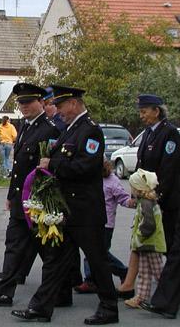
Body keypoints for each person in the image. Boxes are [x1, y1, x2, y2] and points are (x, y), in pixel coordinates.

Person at [11, 85, 118, 325]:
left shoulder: (90, 131)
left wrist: (52, 165)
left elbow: (86, 167)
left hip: (85, 211)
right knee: (56, 259)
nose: (58, 111)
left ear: (74, 103)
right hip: (66, 210)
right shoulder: (71, 129)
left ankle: (109, 307)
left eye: (60, 106)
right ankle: (42, 307)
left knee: (97, 261)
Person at [0, 83, 59, 307]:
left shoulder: (49, 130)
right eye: (21, 102)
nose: (24, 106)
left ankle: (61, 290)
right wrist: (11, 195)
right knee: (14, 244)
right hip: (20, 200)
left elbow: (48, 169)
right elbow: (19, 167)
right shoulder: (24, 126)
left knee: (48, 249)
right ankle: (4, 292)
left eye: (28, 102)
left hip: (37, 201)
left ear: (41, 102)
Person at [75, 159, 134, 294]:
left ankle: (122, 271)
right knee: (91, 252)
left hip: (106, 224)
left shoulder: (112, 181)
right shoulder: (91, 178)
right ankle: (90, 280)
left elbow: (123, 198)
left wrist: (132, 202)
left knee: (100, 254)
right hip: (90, 221)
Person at [135, 94, 180, 251]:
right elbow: (141, 163)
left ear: (156, 111)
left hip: (165, 200)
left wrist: (157, 195)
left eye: (144, 112)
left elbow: (168, 169)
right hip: (147, 198)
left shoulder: (169, 132)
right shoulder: (148, 132)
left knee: (168, 243)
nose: (141, 116)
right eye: (140, 112)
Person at [123, 169, 166, 309]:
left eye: (132, 187)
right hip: (146, 245)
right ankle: (141, 298)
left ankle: (169, 296)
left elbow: (148, 225)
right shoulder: (145, 202)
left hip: (151, 244)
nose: (131, 190)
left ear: (138, 188)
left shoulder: (146, 204)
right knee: (144, 272)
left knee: (158, 273)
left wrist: (139, 237)